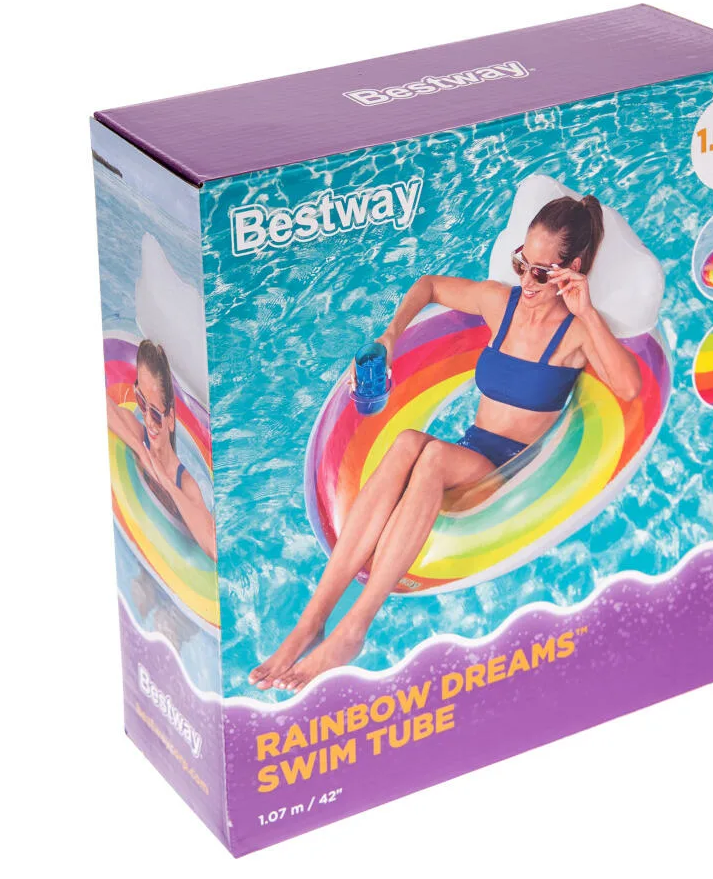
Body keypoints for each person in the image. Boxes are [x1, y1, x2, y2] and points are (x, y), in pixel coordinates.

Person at [250, 195, 642, 692]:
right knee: (408, 442)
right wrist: (390, 336)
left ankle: (354, 628)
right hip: (469, 454)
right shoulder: (502, 305)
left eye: (542, 273)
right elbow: (429, 285)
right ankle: (311, 621)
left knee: (431, 453)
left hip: (511, 473)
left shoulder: (576, 334)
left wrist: (585, 309)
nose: (527, 282)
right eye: (522, 264)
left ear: (573, 270)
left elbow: (629, 388)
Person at [107, 339, 216, 560]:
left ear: (171, 419)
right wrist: (141, 451)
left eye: (156, 414)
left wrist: (165, 482)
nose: (148, 420)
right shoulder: (138, 435)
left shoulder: (186, 485)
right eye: (141, 401)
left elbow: (213, 547)